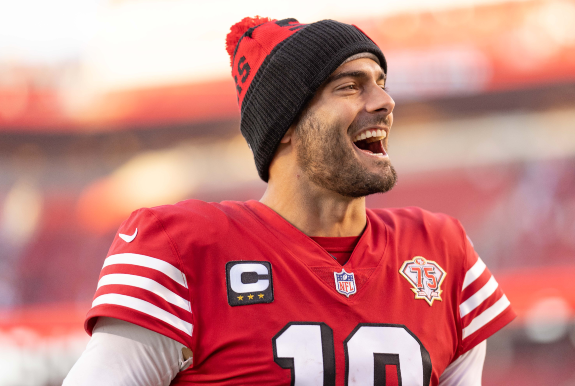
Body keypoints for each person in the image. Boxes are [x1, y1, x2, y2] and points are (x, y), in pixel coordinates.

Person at [63, 16, 515, 386]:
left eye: (380, 82)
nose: (384, 101)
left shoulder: (441, 250)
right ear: (284, 126)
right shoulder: (184, 248)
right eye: (350, 86)